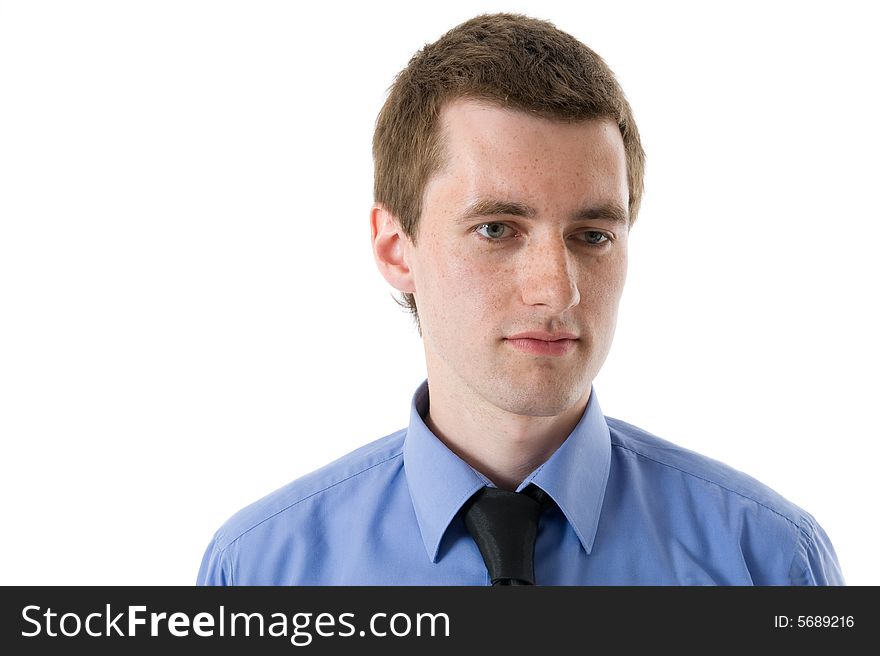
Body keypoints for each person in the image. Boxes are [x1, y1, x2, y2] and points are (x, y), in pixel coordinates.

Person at [197, 12, 844, 585]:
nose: (557, 289)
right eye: (496, 230)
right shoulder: (260, 574)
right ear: (397, 249)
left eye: (592, 235)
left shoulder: (768, 565)